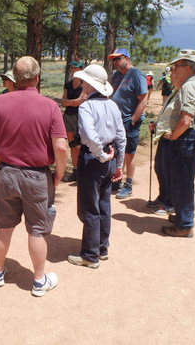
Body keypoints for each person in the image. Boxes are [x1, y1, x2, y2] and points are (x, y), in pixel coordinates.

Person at [0, 56, 67, 297]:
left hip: (6, 174)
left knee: (4, 227)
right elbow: (61, 147)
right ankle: (38, 280)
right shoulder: (50, 106)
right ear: (37, 77)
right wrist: (59, 175)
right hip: (36, 176)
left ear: (14, 76)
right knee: (37, 230)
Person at [66, 64, 126, 268]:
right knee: (103, 204)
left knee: (89, 207)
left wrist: (99, 155)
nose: (81, 84)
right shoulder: (112, 105)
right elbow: (121, 137)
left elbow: (88, 136)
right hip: (109, 157)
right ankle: (102, 247)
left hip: (94, 159)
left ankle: (90, 255)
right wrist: (118, 163)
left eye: (83, 82)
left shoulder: (86, 107)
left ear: (89, 85)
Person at [161, 49, 195, 238]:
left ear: (187, 67)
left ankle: (185, 225)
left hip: (187, 138)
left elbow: (185, 119)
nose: (173, 69)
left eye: (176, 66)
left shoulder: (190, 85)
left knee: (181, 181)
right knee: (186, 180)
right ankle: (185, 215)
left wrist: (173, 136)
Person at [108, 48, 148, 199]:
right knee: (117, 152)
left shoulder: (137, 75)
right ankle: (117, 180)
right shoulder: (116, 75)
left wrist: (133, 120)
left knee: (129, 153)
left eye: (118, 59)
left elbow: (143, 100)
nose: (115, 62)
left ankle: (128, 185)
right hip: (116, 121)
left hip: (130, 121)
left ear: (127, 58)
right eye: (113, 60)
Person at [61, 60, 87, 182]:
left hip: (80, 117)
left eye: (75, 68)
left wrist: (70, 102)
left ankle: (83, 171)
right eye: (71, 68)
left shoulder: (85, 84)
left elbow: (81, 101)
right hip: (69, 116)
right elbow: (64, 102)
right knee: (72, 145)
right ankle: (75, 171)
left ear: (81, 69)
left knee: (79, 145)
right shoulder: (68, 84)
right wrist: (74, 102)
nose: (73, 70)